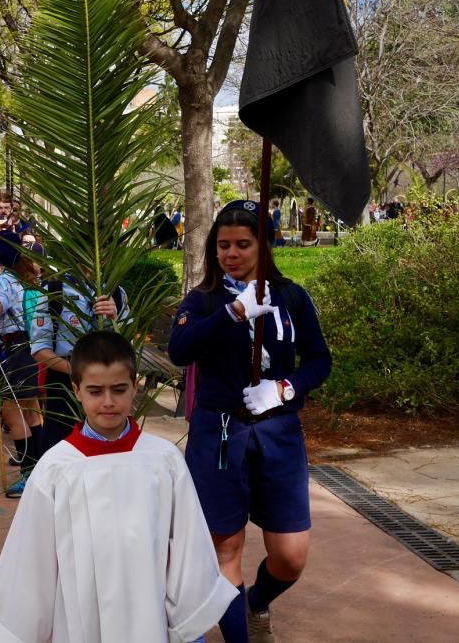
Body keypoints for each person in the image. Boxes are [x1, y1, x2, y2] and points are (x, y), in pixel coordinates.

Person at [0, 331, 237, 642]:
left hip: (149, 621)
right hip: (78, 625)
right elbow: (31, 561)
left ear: (135, 385)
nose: (108, 402)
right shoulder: (56, 468)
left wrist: (190, 631)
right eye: (95, 391)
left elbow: (187, 552)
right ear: (76, 390)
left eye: (119, 389)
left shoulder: (163, 461)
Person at [168, 199, 331, 642]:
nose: (231, 253)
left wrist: (283, 389)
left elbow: (319, 360)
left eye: (243, 243)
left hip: (278, 433)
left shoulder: (293, 296)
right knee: (225, 549)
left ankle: (257, 602)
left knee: (290, 556)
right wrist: (233, 313)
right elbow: (179, 349)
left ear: (266, 244)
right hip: (220, 433)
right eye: (223, 245)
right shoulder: (202, 300)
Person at [29, 270, 130, 451]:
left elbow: (129, 347)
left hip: (108, 385)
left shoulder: (116, 292)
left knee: (107, 452)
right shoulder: (54, 290)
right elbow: (39, 349)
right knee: (61, 450)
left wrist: (114, 319)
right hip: (64, 384)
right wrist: (79, 371)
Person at [0, 231, 45, 498]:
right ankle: (40, 467)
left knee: (12, 411)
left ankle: (30, 473)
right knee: (32, 410)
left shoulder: (6, 277)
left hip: (19, 347)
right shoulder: (30, 272)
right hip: (35, 346)